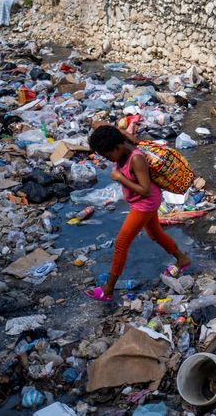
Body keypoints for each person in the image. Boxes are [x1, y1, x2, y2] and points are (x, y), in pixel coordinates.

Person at [85, 125, 190, 301]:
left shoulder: (136, 159)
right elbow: (122, 133)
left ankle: (108, 289)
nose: (109, 159)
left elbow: (146, 190)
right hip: (142, 202)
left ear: (118, 148)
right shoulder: (123, 144)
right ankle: (182, 259)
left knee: (121, 243)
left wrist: (121, 178)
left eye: (109, 155)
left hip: (145, 204)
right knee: (155, 233)